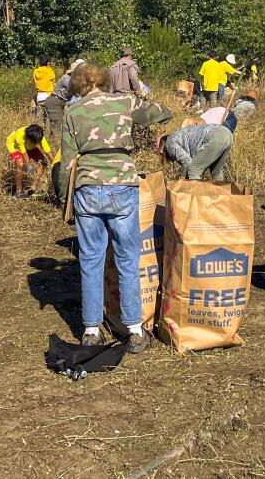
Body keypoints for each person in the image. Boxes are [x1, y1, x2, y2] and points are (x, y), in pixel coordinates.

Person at [61, 62, 172, 353]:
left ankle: (91, 330)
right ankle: (135, 330)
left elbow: (66, 163)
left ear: (78, 85)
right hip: (122, 184)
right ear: (104, 80)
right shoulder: (124, 101)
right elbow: (161, 112)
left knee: (90, 259)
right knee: (127, 258)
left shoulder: (72, 111)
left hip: (86, 186)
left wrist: (66, 199)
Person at [163, 123, 235, 181]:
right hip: (227, 133)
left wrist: (182, 180)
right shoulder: (178, 135)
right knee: (216, 172)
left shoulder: (169, 143)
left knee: (194, 169)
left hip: (215, 136)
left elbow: (187, 162)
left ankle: (196, 197)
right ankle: (221, 197)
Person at [6, 123, 54, 196]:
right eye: (36, 142)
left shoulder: (39, 136)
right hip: (14, 146)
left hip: (29, 146)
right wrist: (29, 166)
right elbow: (24, 152)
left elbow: (48, 151)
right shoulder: (20, 136)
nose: (38, 143)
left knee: (43, 162)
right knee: (20, 164)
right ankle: (18, 191)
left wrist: (55, 164)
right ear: (28, 138)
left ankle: (33, 188)